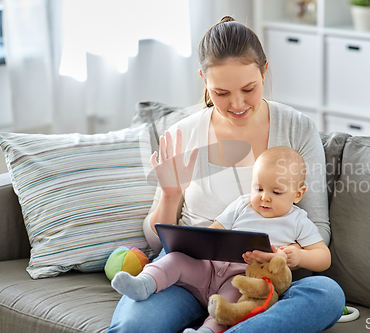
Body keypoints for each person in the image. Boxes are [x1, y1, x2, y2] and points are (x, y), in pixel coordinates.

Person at [108, 16, 345, 333]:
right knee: (132, 329)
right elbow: (156, 239)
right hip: (190, 271)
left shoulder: (297, 128)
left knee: (327, 294)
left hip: (257, 280)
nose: (237, 104)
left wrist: (288, 255)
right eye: (221, 93)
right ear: (203, 79)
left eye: (249, 89)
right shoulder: (184, 133)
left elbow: (319, 230)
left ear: (263, 72)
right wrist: (170, 194)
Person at [111, 146, 331, 333]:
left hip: (239, 280)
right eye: (259, 188)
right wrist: (193, 241)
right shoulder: (242, 205)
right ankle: (143, 283)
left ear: (298, 194)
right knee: (175, 259)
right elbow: (214, 232)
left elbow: (324, 257)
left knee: (229, 305)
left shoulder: (298, 220)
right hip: (208, 268)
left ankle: (207, 330)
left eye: (276, 192)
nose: (264, 197)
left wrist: (299, 256)